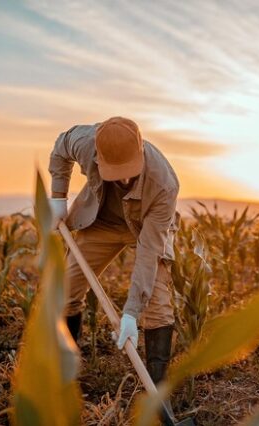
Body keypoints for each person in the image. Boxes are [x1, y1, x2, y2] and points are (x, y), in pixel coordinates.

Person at [47, 117, 180, 390]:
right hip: (102, 223)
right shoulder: (85, 142)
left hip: (146, 227)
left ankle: (158, 394)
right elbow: (61, 147)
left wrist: (130, 313)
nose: (125, 178)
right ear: (98, 156)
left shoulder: (164, 184)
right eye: (115, 171)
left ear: (141, 150)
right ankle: (67, 370)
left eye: (130, 170)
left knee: (157, 305)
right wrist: (58, 198)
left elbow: (149, 253)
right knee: (66, 290)